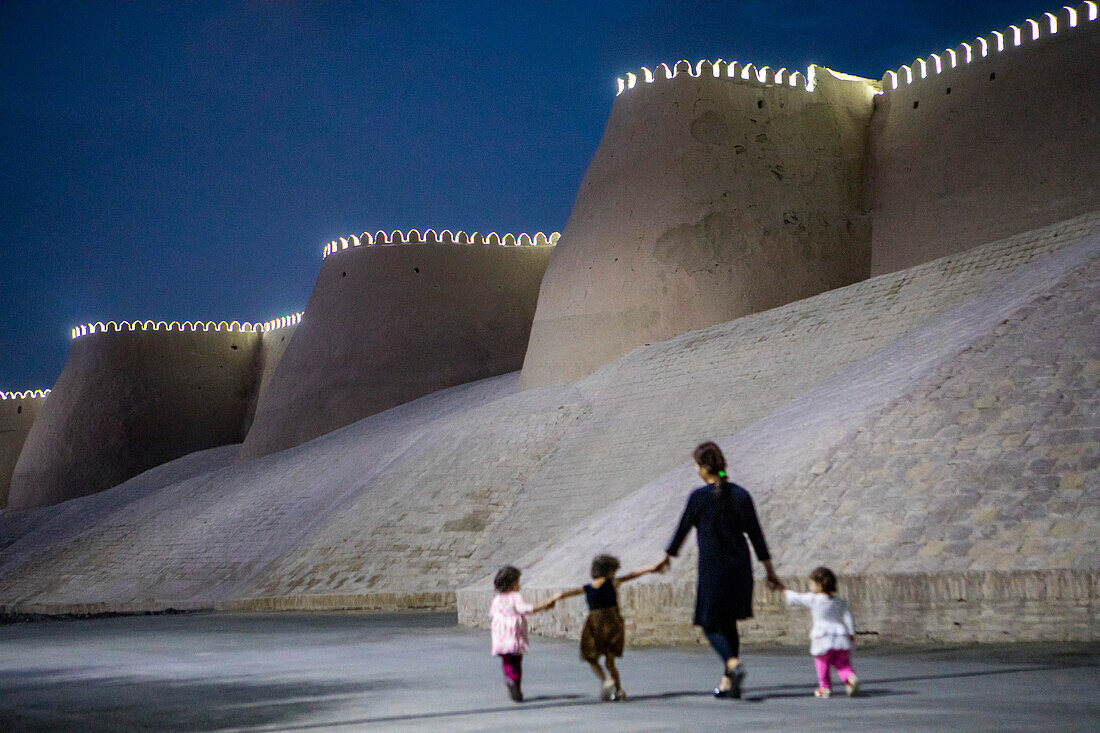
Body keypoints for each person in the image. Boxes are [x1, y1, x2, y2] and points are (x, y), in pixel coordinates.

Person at [656, 441, 783, 699]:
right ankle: (729, 681)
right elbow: (757, 536)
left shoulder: (699, 498)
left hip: (714, 571)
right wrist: (769, 570)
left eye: (696, 465)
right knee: (728, 623)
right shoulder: (740, 495)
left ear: (704, 468)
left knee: (710, 624)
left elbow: (681, 530)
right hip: (740, 570)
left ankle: (733, 665)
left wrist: (666, 557)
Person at [551, 554, 663, 701]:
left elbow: (562, 594)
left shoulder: (587, 587)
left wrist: (550, 601)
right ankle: (619, 690)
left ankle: (605, 680)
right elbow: (633, 574)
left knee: (591, 657)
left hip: (594, 624)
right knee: (610, 661)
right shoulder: (612, 583)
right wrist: (652, 567)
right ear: (610, 571)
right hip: (612, 623)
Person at [784, 566, 860, 698]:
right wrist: (851, 633)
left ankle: (824, 687)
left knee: (822, 664)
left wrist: (783, 591)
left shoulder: (814, 599)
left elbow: (797, 597)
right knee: (843, 664)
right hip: (840, 637)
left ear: (819, 585)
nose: (810, 587)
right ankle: (850, 678)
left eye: (811, 584)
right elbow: (848, 617)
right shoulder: (840, 602)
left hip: (822, 638)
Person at [489, 565, 556, 702]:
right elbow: (524, 609)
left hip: (500, 635)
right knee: (517, 660)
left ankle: (510, 680)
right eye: (518, 581)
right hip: (513, 634)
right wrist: (543, 606)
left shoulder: (497, 599)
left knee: (507, 660)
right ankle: (515, 684)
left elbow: (492, 615)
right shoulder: (515, 596)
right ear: (512, 583)